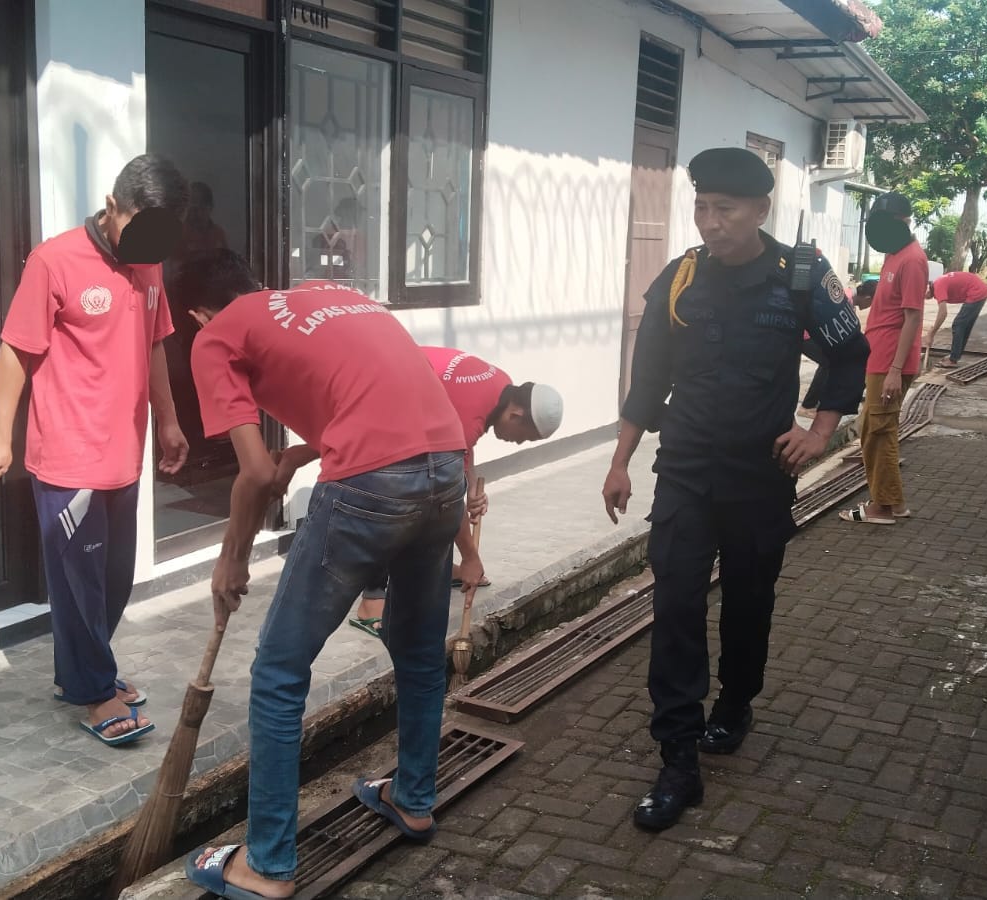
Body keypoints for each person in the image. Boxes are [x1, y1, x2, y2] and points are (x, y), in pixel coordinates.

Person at [179, 251, 467, 898]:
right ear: (257, 286)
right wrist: (306, 450)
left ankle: (268, 864)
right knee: (419, 652)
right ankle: (414, 799)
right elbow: (377, 387)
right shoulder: (328, 293)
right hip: (446, 466)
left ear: (198, 314)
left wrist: (231, 558)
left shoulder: (216, 336)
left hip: (371, 483)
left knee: (280, 671)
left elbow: (252, 475)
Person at [602, 147, 868, 831]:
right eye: (701, 207)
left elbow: (848, 353)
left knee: (750, 602)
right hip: (685, 471)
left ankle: (736, 704)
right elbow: (649, 376)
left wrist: (819, 430)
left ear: (759, 210)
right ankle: (678, 758)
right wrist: (621, 459)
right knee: (678, 604)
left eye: (724, 209)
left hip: (760, 478)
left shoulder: (800, 277)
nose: (710, 222)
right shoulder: (681, 278)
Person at [0, 154, 191, 746]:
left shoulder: (149, 267)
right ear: (111, 205)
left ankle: (82, 674)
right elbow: (16, 352)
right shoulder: (54, 261)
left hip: (125, 452)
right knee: (78, 585)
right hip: (69, 456)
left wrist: (168, 420)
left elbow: (155, 346)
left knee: (114, 578)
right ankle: (95, 691)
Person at [348, 352, 565, 638]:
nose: (518, 442)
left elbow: (462, 443)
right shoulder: (473, 411)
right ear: (516, 414)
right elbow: (448, 496)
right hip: (375, 394)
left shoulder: (502, 387)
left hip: (404, 394)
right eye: (524, 435)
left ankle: (442, 569)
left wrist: (471, 483)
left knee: (432, 488)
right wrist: (471, 557)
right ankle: (372, 601)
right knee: (394, 495)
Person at [839, 191, 925, 526]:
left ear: (903, 222)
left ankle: (883, 507)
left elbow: (913, 318)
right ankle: (893, 502)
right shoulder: (894, 254)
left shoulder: (913, 260)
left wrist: (894, 371)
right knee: (876, 430)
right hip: (879, 356)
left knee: (879, 432)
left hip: (891, 360)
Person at [927, 270, 987, 368]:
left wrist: (931, 333)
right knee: (964, 326)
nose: (924, 298)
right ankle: (955, 356)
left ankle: (953, 360)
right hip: (980, 290)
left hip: (976, 291)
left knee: (958, 324)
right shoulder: (938, 283)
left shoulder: (938, 286)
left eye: (923, 295)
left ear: (928, 288)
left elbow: (943, 313)